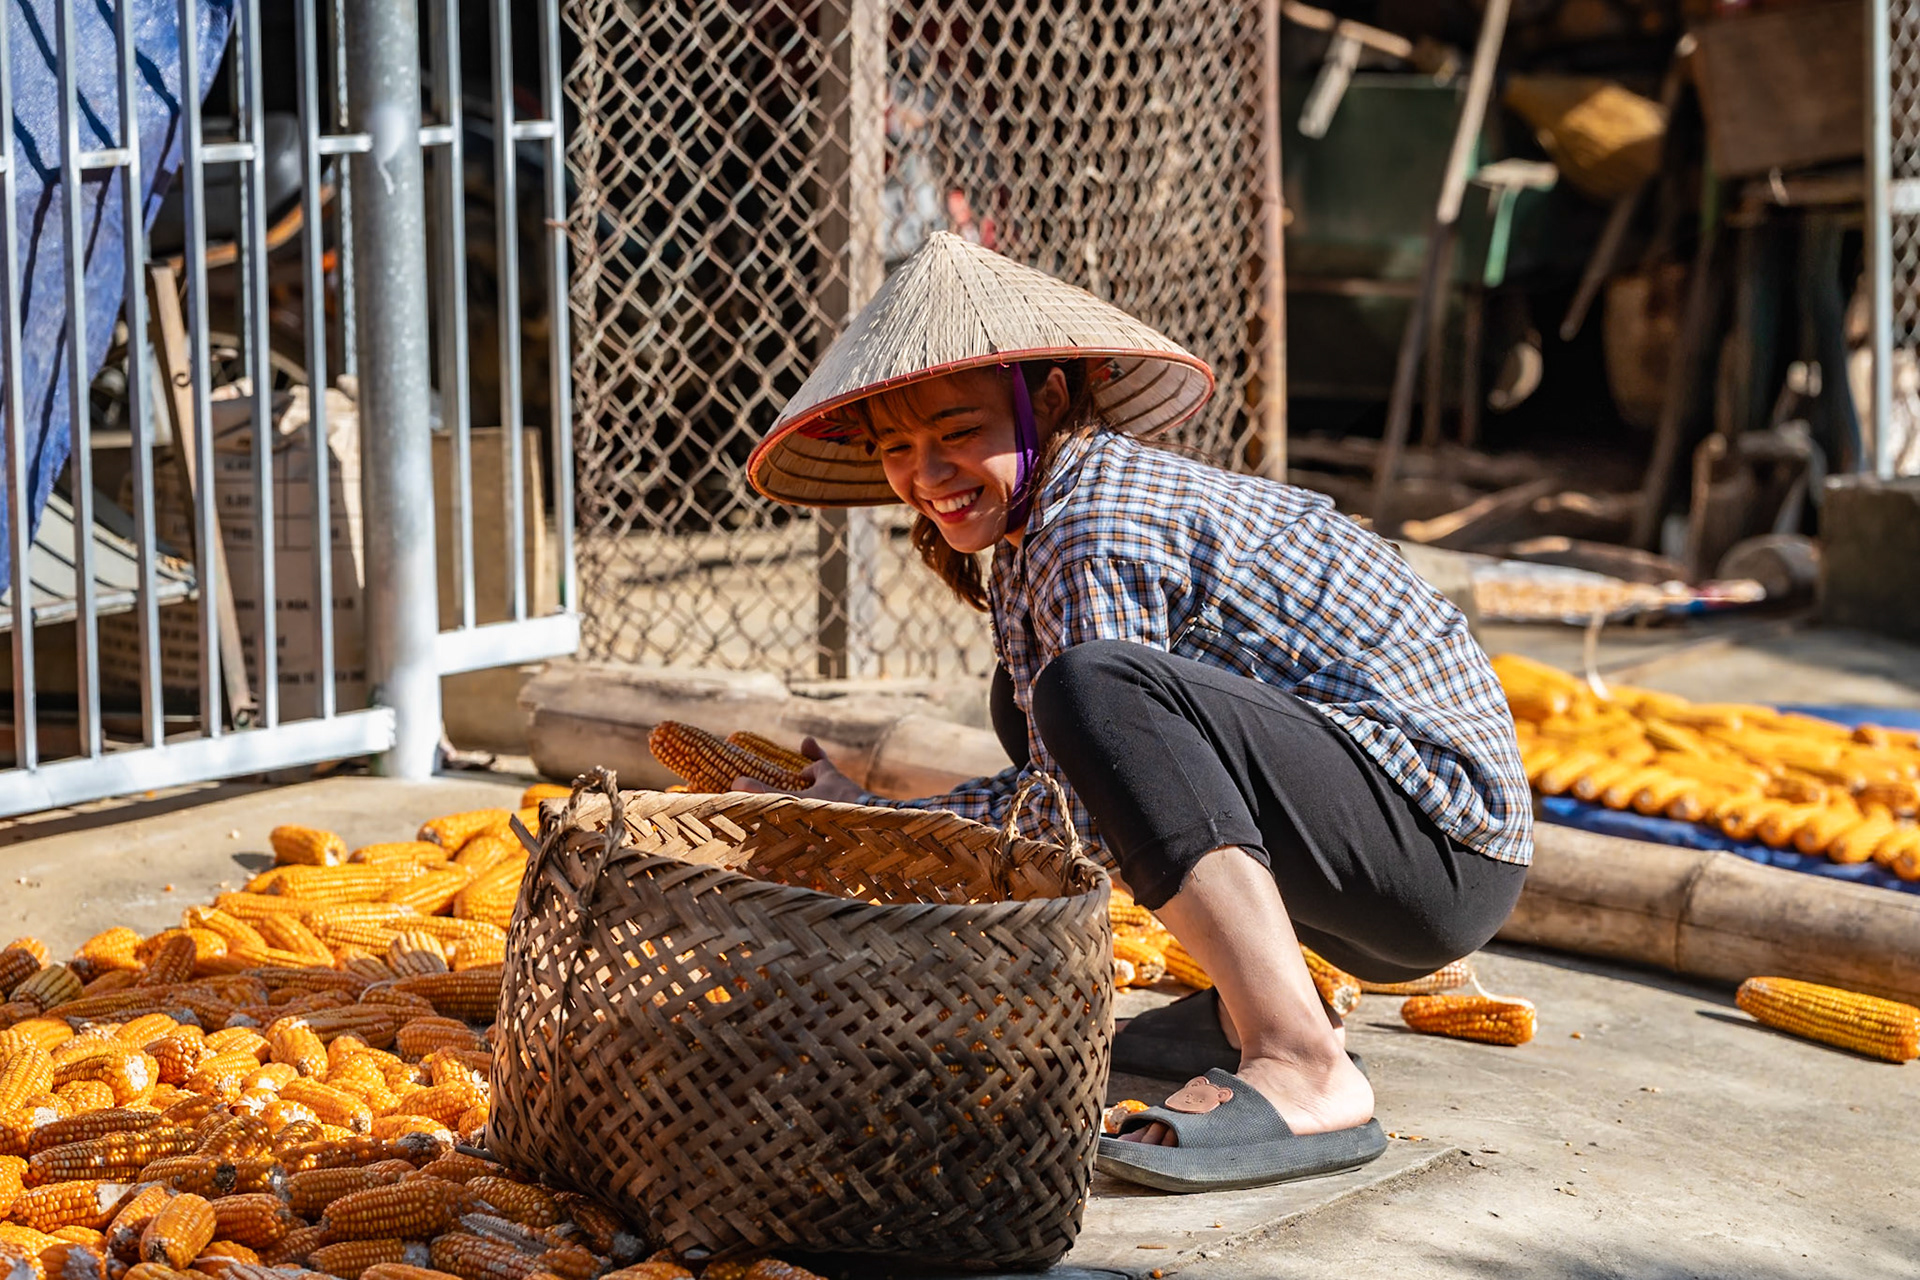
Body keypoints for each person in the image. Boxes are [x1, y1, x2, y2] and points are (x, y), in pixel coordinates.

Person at [742, 233, 1532, 1194]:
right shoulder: (1042, 525)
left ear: (1055, 399)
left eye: (957, 432)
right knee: (1033, 697)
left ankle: (1302, 1062)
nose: (927, 472)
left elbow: (1078, 805)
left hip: (1436, 855)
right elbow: (1057, 779)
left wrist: (886, 838)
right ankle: (1251, 1010)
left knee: (1089, 691)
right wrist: (862, 810)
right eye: (897, 449)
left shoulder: (1094, 523)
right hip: (1378, 860)